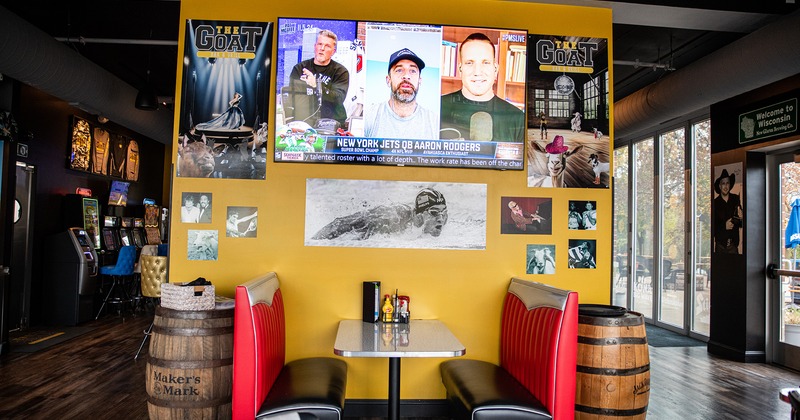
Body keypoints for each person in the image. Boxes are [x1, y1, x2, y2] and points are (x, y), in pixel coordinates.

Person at [439, 33, 525, 142]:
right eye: (470, 63)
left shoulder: (518, 118)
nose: (477, 72)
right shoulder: (436, 109)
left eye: (485, 63)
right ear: (460, 69)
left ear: (495, 69)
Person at [312, 188, 448, 240]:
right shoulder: (393, 218)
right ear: (420, 215)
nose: (441, 219)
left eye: (444, 213)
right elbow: (341, 223)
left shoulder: (421, 224)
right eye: (434, 213)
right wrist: (313, 242)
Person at [364, 48, 438, 140]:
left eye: (413, 71)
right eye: (399, 70)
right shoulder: (369, 116)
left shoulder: (434, 122)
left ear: (420, 81)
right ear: (388, 80)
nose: (406, 76)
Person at [287, 30, 350, 128]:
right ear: (314, 46)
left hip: (332, 123)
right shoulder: (299, 68)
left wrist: (316, 85)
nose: (322, 48)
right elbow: (291, 98)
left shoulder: (340, 72)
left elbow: (339, 98)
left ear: (333, 51)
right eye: (320, 44)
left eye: (327, 46)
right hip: (304, 122)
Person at [713, 169, 743, 254]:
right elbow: (712, 227)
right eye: (723, 183)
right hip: (720, 246)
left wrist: (741, 218)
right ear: (719, 186)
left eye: (727, 183)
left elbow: (741, 224)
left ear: (730, 185)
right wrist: (724, 226)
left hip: (733, 245)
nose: (725, 186)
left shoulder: (735, 199)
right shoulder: (715, 203)